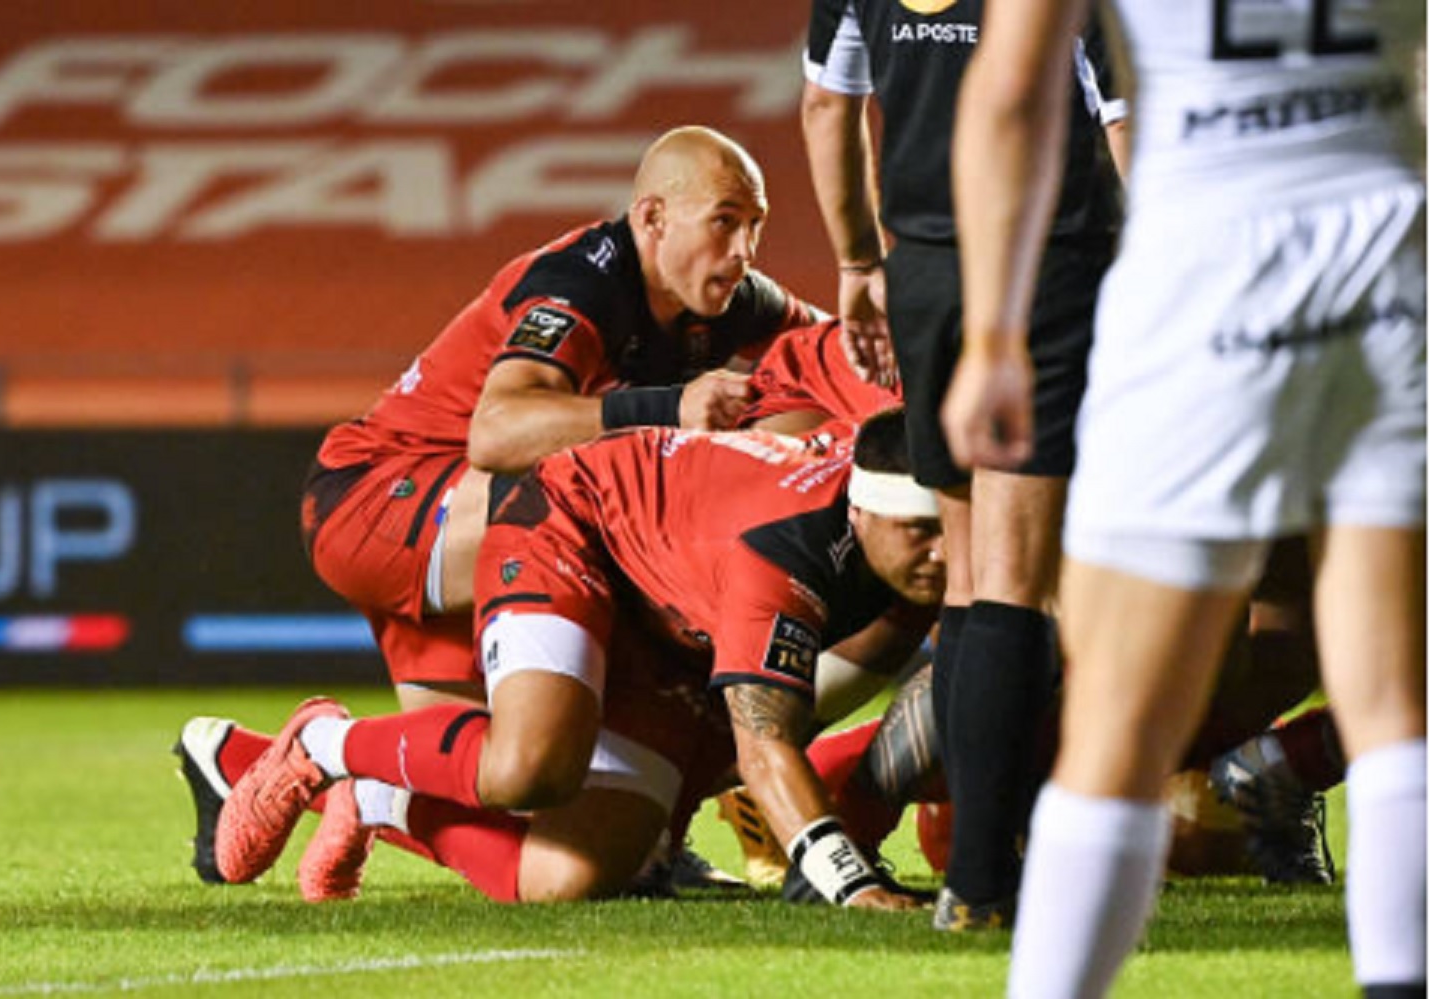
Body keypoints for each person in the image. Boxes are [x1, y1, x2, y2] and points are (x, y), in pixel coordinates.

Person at [173, 125, 818, 885]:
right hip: (384, 505)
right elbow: (499, 430)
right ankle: (669, 812)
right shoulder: (582, 282)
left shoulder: (731, 298)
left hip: (475, 532)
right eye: (724, 219)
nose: (744, 248)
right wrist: (674, 409)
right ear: (650, 218)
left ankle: (294, 770)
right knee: (625, 511)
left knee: (540, 842)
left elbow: (830, 361)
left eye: (755, 225)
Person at [944, 1, 1425, 995]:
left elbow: (1010, 91)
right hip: (1390, 242)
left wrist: (994, 334)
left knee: (1118, 726)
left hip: (1205, 255)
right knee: (1393, 709)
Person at [212, 408, 939, 907]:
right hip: (572, 523)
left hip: (676, 611)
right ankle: (322, 744)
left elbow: (792, 711)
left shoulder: (903, 481)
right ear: (864, 512)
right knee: (529, 765)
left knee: (570, 876)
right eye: (918, 532)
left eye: (948, 527)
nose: (942, 551)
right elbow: (764, 742)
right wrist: (847, 882)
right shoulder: (781, 556)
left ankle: (375, 797)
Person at [801, 0, 1128, 929]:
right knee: (1018, 586)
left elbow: (826, 107)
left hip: (925, 273)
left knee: (969, 579)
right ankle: (984, 878)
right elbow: (1121, 117)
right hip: (1043, 266)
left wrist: (859, 259)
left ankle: (969, 848)